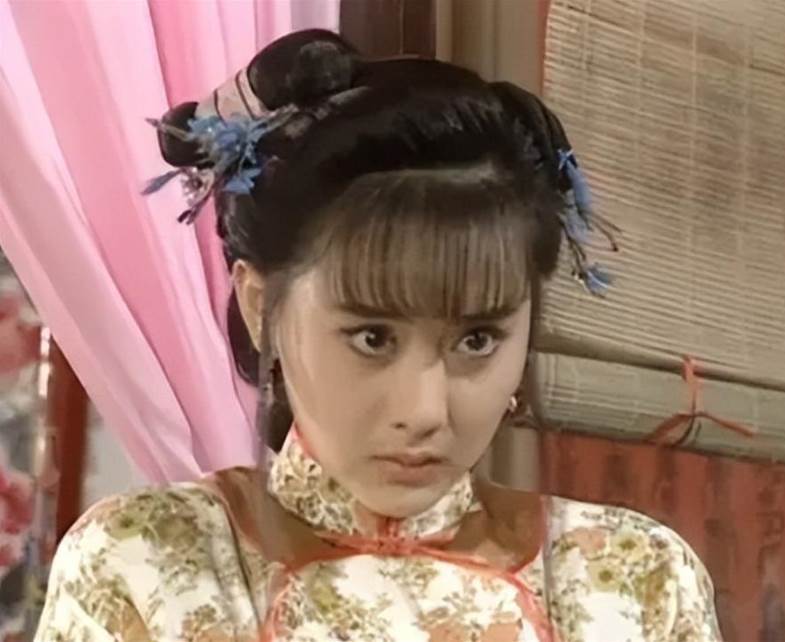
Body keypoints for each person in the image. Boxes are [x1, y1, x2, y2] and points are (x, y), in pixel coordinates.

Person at [35, 29, 721, 642]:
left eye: (477, 340)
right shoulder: (146, 565)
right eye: (372, 338)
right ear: (260, 304)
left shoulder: (631, 580)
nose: (424, 412)